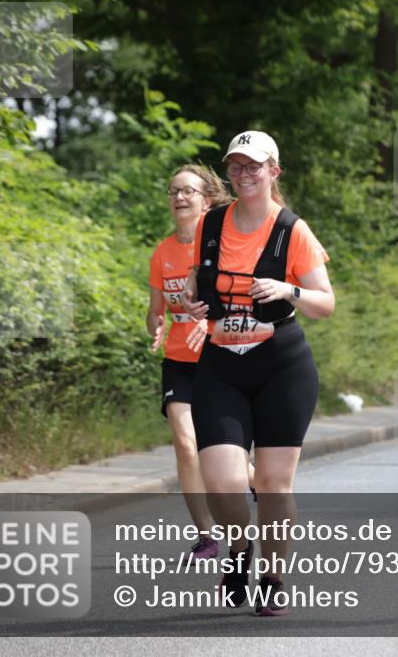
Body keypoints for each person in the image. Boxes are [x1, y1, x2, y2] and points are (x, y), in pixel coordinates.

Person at [182, 131, 334, 613]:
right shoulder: (210, 225)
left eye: (255, 166)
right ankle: (239, 551)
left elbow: (325, 304)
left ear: (274, 171)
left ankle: (272, 576)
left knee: (271, 484)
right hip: (220, 364)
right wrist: (188, 302)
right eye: (237, 166)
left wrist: (288, 290)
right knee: (223, 481)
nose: (245, 174)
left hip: (281, 366)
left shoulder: (293, 230)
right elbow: (191, 286)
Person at [147, 165, 233, 560]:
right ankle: (206, 536)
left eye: (188, 191)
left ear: (206, 200)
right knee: (185, 442)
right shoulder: (162, 252)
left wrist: (211, 322)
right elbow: (155, 310)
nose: (179, 197)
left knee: (222, 454)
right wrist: (156, 324)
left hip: (221, 358)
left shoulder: (221, 247)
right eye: (173, 191)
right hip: (179, 362)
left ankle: (261, 486)